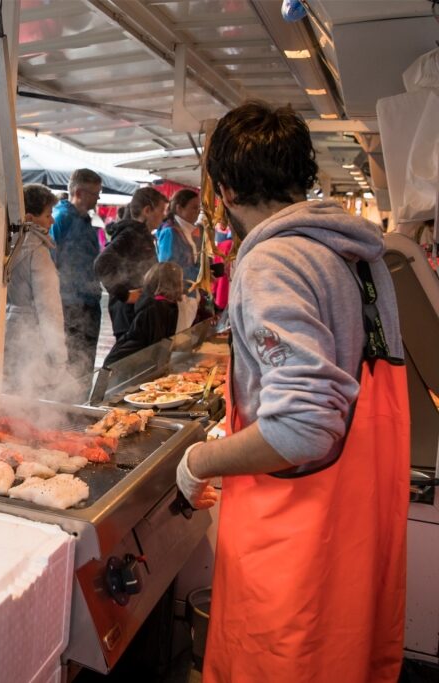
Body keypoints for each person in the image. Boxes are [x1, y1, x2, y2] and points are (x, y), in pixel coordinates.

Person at [175, 101, 408, 683]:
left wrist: (199, 460)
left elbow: (303, 427)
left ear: (224, 190)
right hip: (352, 528)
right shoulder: (352, 253)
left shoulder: (271, 263)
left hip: (294, 537)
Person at [4, 184, 69, 397]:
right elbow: (49, 308)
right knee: (29, 401)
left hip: (8, 330)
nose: (52, 221)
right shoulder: (38, 252)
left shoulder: (6, 242)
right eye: (48, 214)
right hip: (32, 337)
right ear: (30, 218)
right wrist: (59, 356)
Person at [51, 168, 103, 396]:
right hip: (70, 305)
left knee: (86, 363)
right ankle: (68, 410)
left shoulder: (85, 221)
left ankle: (81, 405)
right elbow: (51, 260)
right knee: (72, 362)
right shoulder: (61, 219)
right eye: (95, 193)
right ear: (80, 192)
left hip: (89, 303)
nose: (98, 199)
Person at [94, 187, 165, 341]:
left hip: (138, 312)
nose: (163, 216)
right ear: (147, 210)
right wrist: (124, 294)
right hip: (128, 315)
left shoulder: (140, 234)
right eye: (161, 211)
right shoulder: (130, 234)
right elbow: (101, 263)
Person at [102, 262, 182, 367]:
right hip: (122, 364)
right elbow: (154, 346)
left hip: (134, 361)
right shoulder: (155, 308)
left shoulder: (168, 306)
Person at [156, 189, 202, 330]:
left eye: (199, 208)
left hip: (190, 294)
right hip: (178, 297)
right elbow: (168, 268)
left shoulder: (191, 232)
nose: (197, 212)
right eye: (194, 208)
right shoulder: (170, 232)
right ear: (179, 208)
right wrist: (199, 274)